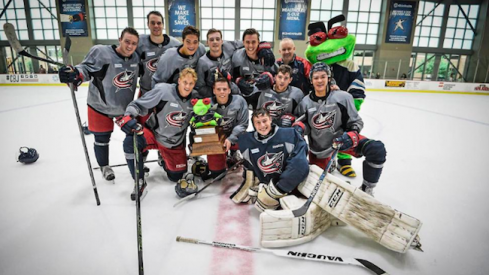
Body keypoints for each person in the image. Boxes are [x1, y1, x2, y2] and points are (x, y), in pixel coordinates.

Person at [59, 27, 140, 181]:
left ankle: (136, 163)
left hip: (124, 108)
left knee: (135, 135)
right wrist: (74, 73)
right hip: (100, 106)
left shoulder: (136, 58)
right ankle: (104, 166)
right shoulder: (101, 52)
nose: (130, 46)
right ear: (120, 39)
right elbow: (85, 68)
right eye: (127, 41)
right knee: (101, 139)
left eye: (134, 43)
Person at [293, 63, 386, 196]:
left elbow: (355, 121)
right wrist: (300, 128)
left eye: (323, 77)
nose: (319, 80)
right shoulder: (305, 103)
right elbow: (304, 124)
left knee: (376, 149)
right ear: (311, 80)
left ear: (329, 78)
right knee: (313, 190)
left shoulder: (343, 97)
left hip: (342, 142)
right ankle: (329, 165)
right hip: (320, 150)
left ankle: (367, 190)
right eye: (316, 77)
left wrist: (351, 135)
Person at [117, 68, 197, 200]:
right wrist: (128, 116)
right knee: (131, 141)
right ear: (179, 81)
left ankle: (164, 159)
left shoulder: (195, 99)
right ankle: (139, 179)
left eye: (191, 83)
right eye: (185, 82)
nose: (187, 86)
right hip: (154, 134)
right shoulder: (163, 91)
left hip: (173, 142)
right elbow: (138, 105)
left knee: (175, 177)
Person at [230, 108, 309, 212]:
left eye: (264, 121)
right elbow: (248, 164)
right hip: (266, 186)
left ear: (270, 119)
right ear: (253, 124)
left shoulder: (289, 135)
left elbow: (300, 165)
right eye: (258, 122)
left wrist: (279, 188)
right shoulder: (246, 140)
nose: (262, 125)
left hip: (291, 187)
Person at [192, 75, 248, 179]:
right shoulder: (206, 103)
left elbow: (243, 124)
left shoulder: (239, 101)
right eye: (218, 89)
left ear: (229, 90)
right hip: (216, 138)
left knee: (248, 139)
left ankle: (234, 152)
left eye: (224, 89)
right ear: (214, 91)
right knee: (217, 174)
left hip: (234, 136)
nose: (222, 92)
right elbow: (196, 123)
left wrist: (231, 138)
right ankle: (219, 161)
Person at [137, 11, 181, 96]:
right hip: (146, 91)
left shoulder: (175, 44)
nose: (156, 26)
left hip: (167, 93)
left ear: (163, 25)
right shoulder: (140, 42)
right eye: (152, 23)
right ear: (148, 24)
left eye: (159, 23)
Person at [231, 28, 276, 109]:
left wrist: (270, 78)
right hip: (246, 96)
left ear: (258, 42)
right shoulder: (237, 57)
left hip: (265, 98)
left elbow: (278, 74)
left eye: (254, 42)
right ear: (243, 42)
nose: (250, 45)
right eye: (247, 42)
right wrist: (238, 81)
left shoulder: (266, 56)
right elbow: (233, 75)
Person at [195, 28, 243, 98]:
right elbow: (200, 87)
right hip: (213, 97)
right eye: (211, 40)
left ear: (222, 41)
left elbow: (246, 42)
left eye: (217, 39)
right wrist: (217, 91)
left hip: (232, 92)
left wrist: (263, 47)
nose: (215, 42)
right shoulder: (202, 62)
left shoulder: (228, 48)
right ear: (207, 42)